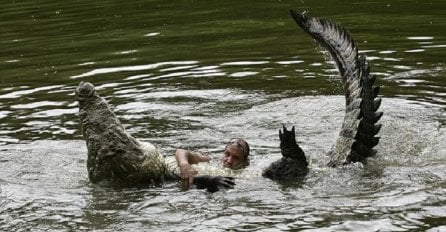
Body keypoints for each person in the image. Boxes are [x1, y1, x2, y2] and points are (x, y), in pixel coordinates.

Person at [175, 138, 250, 189]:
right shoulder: (211, 161)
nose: (229, 160)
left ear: (244, 162)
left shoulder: (246, 172)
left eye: (236, 158)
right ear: (223, 152)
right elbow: (181, 151)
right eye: (227, 154)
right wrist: (184, 164)